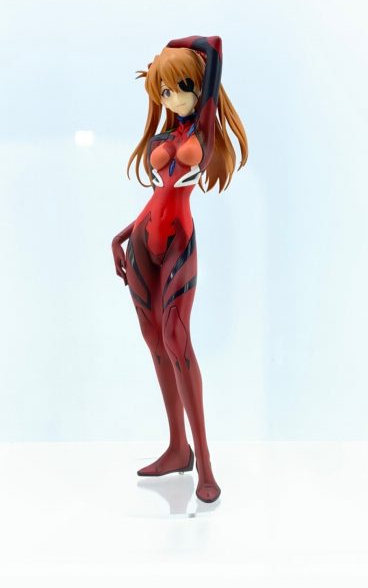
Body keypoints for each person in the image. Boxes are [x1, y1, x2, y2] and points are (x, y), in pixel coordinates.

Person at [111, 35, 248, 503]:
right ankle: (177, 448)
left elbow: (214, 46)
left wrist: (172, 47)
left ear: (198, 87)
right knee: (154, 340)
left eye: (180, 87)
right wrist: (121, 235)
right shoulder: (165, 137)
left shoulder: (201, 131)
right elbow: (158, 196)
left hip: (177, 244)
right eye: (163, 90)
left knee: (177, 340)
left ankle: (205, 466)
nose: (172, 97)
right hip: (141, 241)